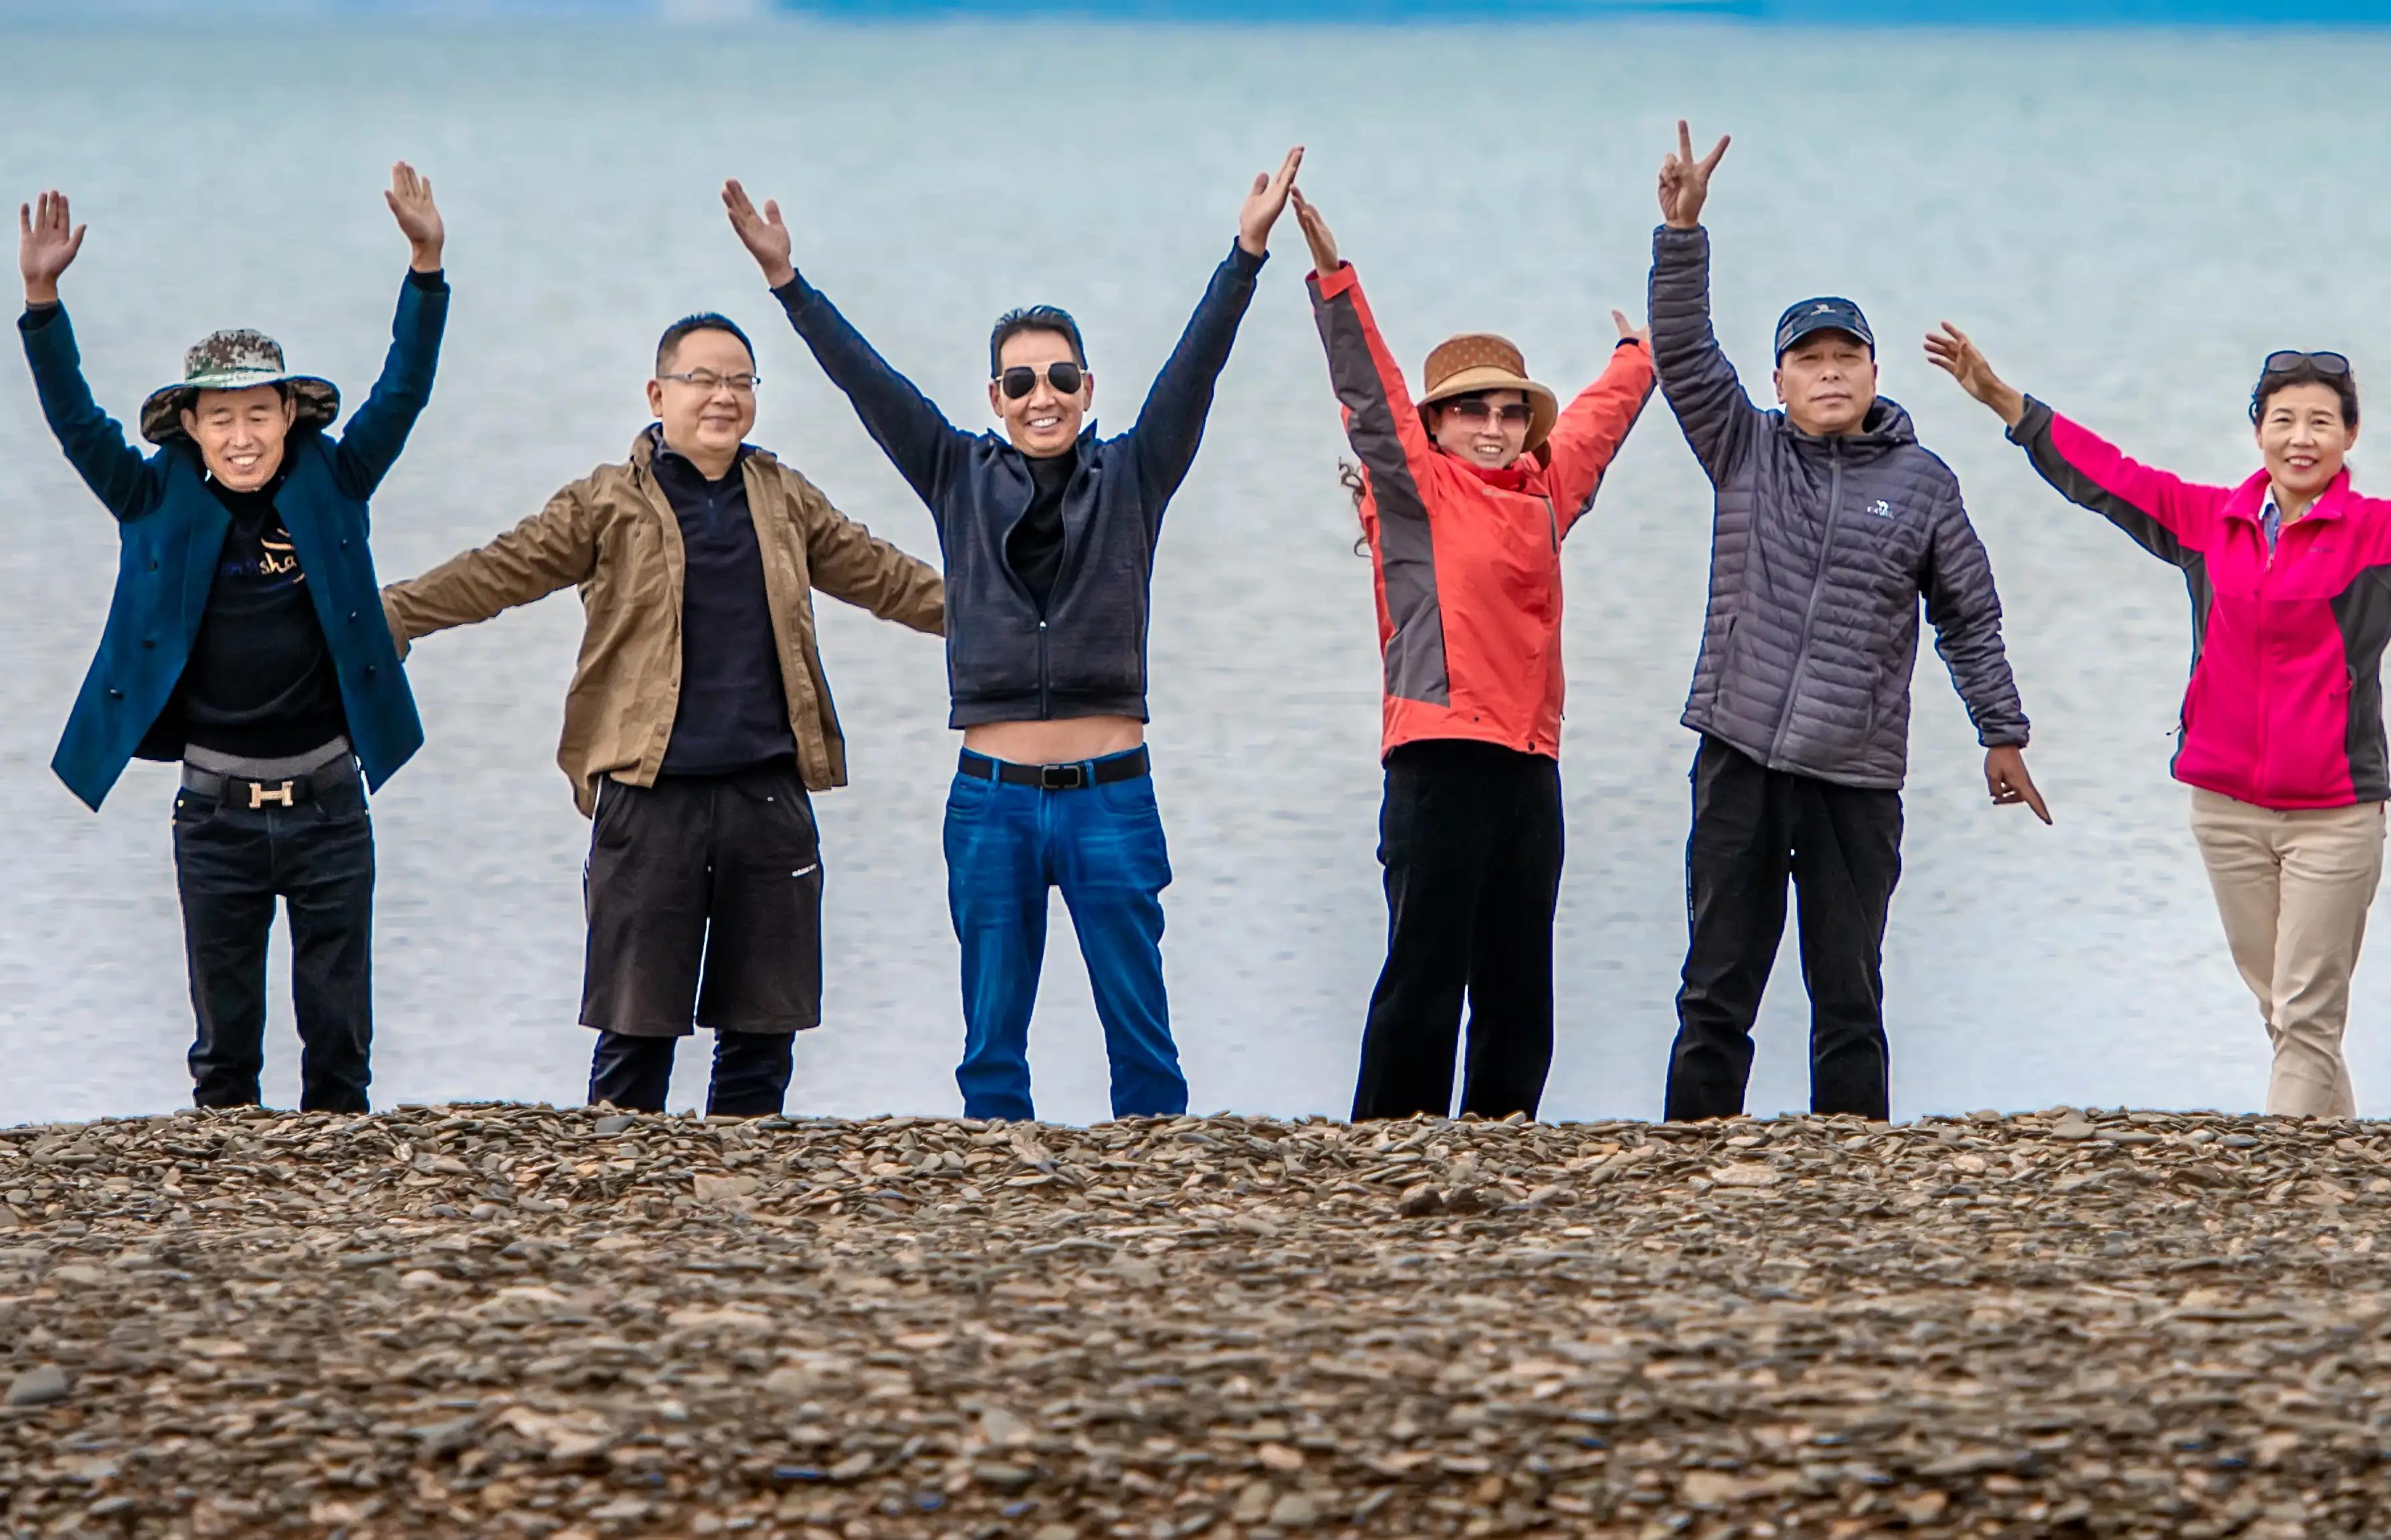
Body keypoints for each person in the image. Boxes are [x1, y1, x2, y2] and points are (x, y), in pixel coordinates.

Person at [1923, 326, 2391, 1118]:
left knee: (2307, 1016)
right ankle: (2340, 1167)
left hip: (2335, 816)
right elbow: (2106, 476)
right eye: (2283, 421)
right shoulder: (2208, 524)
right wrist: (2003, 400)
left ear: (2350, 435)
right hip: (2226, 811)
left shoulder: (2381, 536)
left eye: (2320, 422)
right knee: (2285, 1014)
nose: (2300, 439)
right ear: (2258, 434)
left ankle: (2279, 1176)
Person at [728, 153, 1297, 1121]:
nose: (1044, 396)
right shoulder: (954, 471)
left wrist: (1245, 254)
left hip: (1112, 796)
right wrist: (788, 283)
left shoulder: (1135, 475)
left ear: (1087, 387)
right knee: (992, 1036)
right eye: (1022, 380)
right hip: (992, 800)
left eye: (1062, 377)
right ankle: (996, 1175)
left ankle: (1159, 1172)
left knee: (1142, 1029)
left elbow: (1195, 371)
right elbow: (872, 387)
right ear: (996, 397)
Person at [378, 311, 950, 1117]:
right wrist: (387, 618)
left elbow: (888, 578)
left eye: (741, 382)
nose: (724, 397)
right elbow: (498, 572)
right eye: (703, 380)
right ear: (658, 394)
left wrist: (1004, 620)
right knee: (634, 1034)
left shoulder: (785, 498)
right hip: (648, 800)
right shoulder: (606, 502)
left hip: (768, 796)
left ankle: (743, 1187)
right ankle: (616, 1190)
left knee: (763, 1036)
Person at [12, 167, 449, 1115]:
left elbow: (404, 391)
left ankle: (343, 1196)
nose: (242, 436)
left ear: (290, 416)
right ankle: (226, 1200)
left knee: (341, 1054)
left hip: (332, 806)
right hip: (213, 816)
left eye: (259, 414)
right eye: (222, 418)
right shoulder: (150, 496)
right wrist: (43, 303)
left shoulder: (337, 479)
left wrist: (425, 267)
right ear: (191, 427)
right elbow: (75, 423)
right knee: (223, 1060)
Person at [1644, 123, 2046, 1122]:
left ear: (1873, 373)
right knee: (1716, 990)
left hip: (1856, 777)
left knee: (1850, 997)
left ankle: (1858, 1170)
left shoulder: (1923, 483)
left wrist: (2001, 734)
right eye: (1809, 359)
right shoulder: (1743, 447)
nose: (1829, 373)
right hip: (1739, 755)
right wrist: (1682, 235)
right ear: (1779, 380)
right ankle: (1685, 1166)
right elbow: (1683, 352)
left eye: (1847, 357)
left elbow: (1970, 617)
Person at [1285, 184, 1658, 1119]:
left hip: (1531, 765)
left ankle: (1503, 1137)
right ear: (1438, 422)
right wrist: (1334, 278)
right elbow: (1369, 395)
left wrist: (1640, 357)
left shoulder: (1543, 492)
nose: (1492, 427)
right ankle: (1388, 1145)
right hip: (1438, 759)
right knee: (1425, 970)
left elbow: (1596, 427)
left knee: (1519, 978)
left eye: (1507, 411)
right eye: (1471, 411)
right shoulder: (1413, 487)